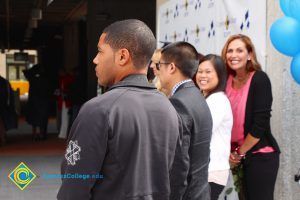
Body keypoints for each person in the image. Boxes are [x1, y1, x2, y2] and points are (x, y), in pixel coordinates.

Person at [57, 19, 181, 200]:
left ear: (122, 56)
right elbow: (176, 176)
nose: (95, 59)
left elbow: (74, 185)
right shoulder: (168, 108)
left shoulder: (99, 110)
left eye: (100, 52)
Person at [221, 34, 280, 200]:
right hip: (238, 157)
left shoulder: (259, 79)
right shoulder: (226, 81)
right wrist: (233, 153)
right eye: (230, 51)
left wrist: (239, 153)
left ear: (249, 55)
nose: (234, 55)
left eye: (239, 50)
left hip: (260, 155)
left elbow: (260, 124)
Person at [156, 41, 212, 200]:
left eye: (159, 66)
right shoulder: (197, 96)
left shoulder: (178, 102)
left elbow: (179, 164)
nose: (157, 72)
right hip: (200, 192)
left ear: (172, 67)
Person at [194, 54, 233, 200]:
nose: (202, 75)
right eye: (200, 71)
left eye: (208, 72)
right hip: (206, 171)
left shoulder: (217, 101)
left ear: (220, 75)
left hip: (211, 172)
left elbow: (200, 133)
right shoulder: (207, 99)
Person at [23, 64, 50, 140]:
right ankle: (42, 134)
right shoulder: (45, 79)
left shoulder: (32, 78)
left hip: (34, 101)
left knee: (34, 119)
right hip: (43, 101)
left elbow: (25, 72)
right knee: (42, 118)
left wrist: (33, 69)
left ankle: (34, 134)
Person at [0, 75, 17, 146]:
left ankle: (3, 138)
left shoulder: (3, 82)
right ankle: (3, 138)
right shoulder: (4, 81)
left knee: (1, 121)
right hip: (3, 104)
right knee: (2, 121)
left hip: (2, 103)